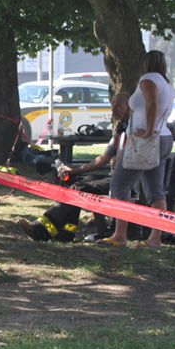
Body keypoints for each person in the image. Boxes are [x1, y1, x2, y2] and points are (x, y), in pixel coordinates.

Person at [17, 93, 129, 243]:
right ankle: (65, 233)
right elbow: (102, 159)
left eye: (118, 106)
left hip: (126, 183)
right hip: (116, 178)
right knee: (71, 181)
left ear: (130, 108)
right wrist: (74, 171)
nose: (113, 109)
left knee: (79, 187)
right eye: (112, 105)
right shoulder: (121, 130)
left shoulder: (135, 131)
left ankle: (40, 230)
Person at [99, 50, 175, 249]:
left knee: (119, 184)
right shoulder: (167, 84)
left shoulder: (148, 78)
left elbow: (152, 103)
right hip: (164, 138)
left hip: (147, 141)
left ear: (145, 64)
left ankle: (120, 235)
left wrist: (148, 131)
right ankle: (155, 238)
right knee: (155, 190)